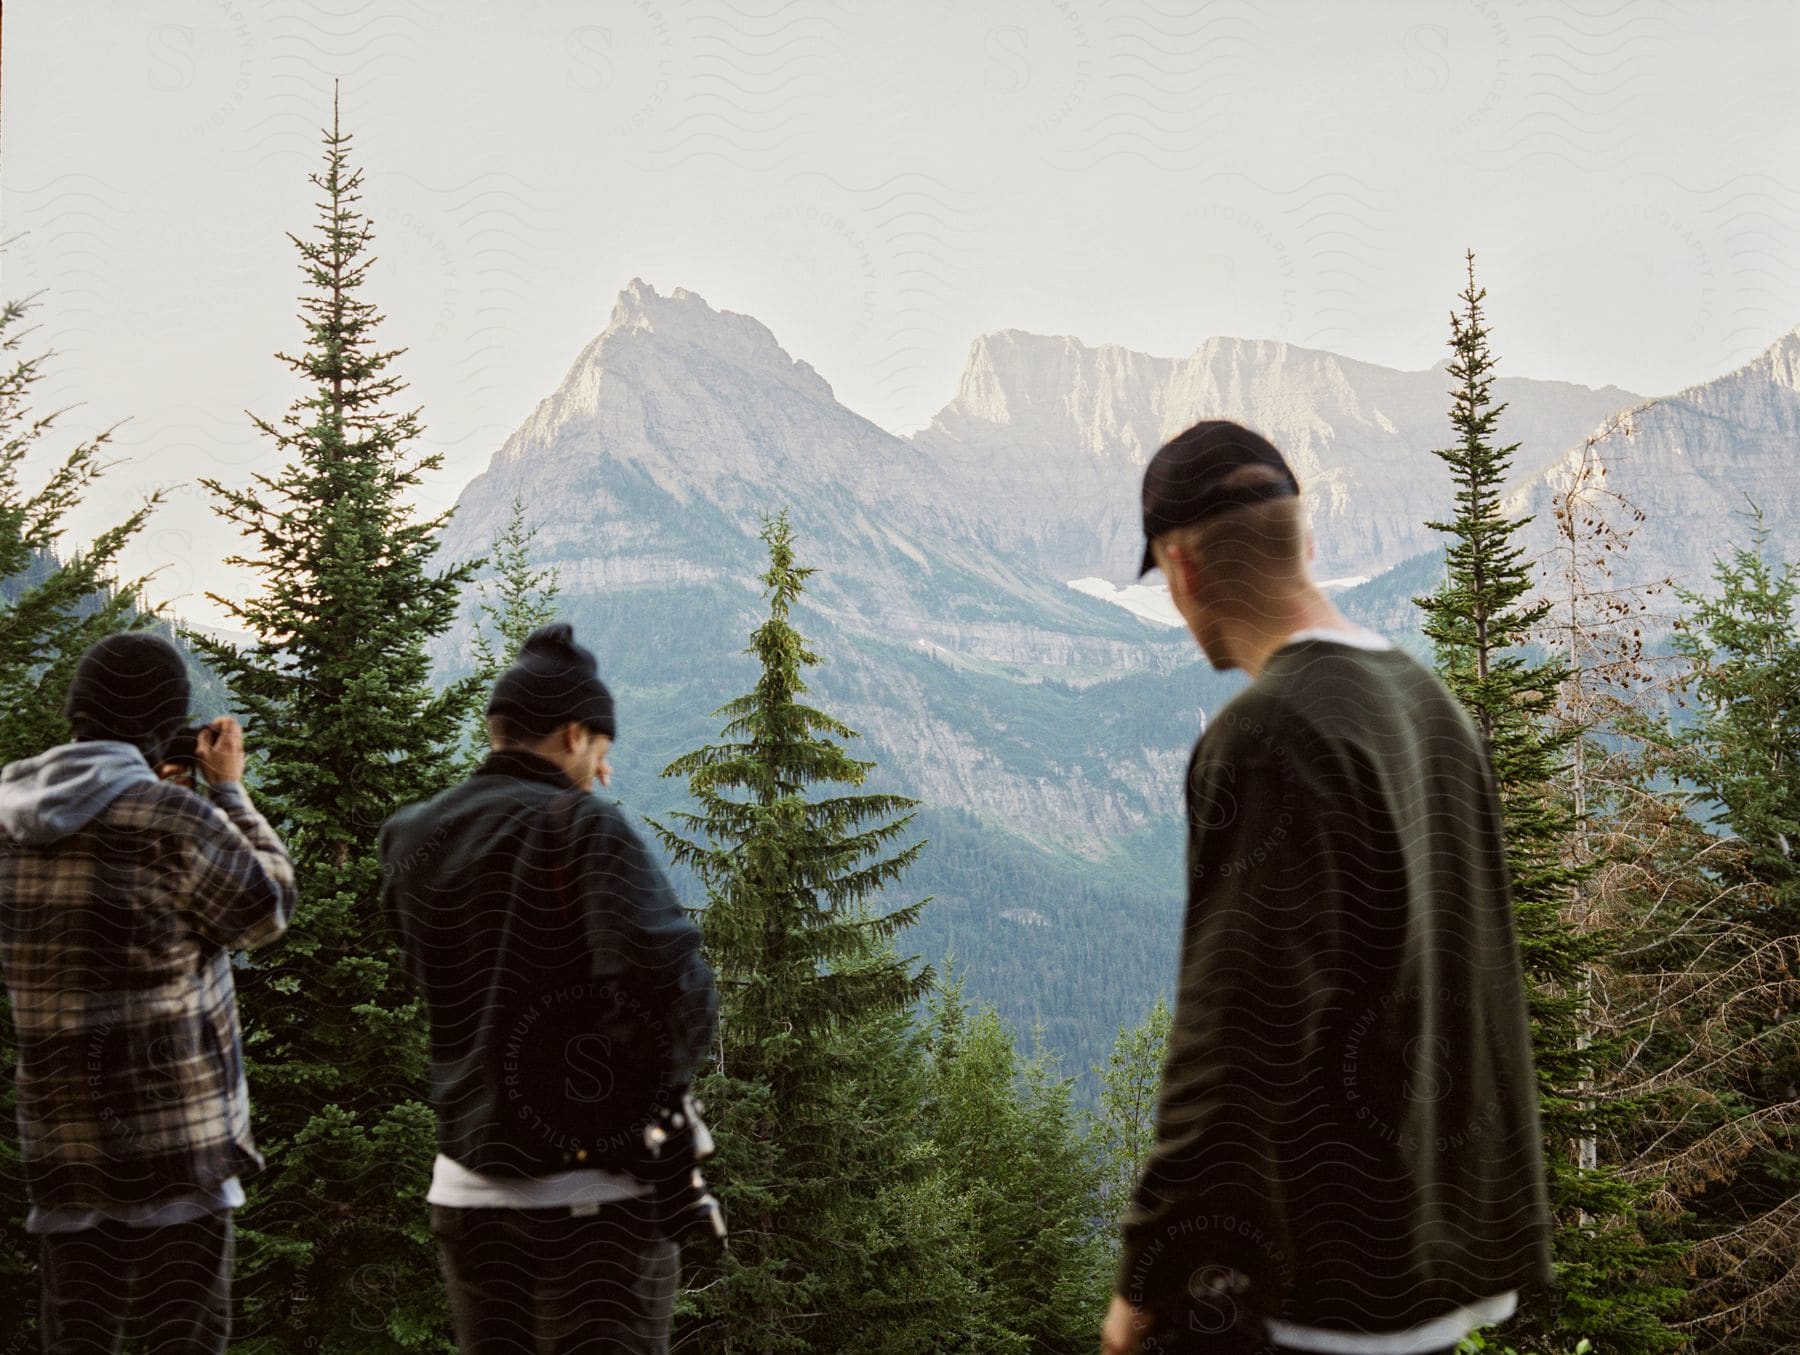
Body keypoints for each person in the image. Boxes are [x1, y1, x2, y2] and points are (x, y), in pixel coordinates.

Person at [1102, 422, 1552, 1355]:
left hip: (1320, 1286)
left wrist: (1148, 1277)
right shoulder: (1429, 704)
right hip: (1447, 1264)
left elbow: (1233, 1041)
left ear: (1181, 572)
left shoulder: (1268, 733)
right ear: (1303, 541)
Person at [380, 622, 718, 1354]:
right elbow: (677, 989)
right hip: (593, 1206)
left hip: (466, 1200)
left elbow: (431, 974)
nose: (603, 772)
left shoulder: (410, 836)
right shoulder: (588, 828)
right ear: (572, 734)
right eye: (600, 750)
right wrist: (647, 1107)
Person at [0, 631, 297, 1352]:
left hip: (63, 1151)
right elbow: (268, 909)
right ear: (160, 722)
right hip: (176, 1153)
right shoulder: (172, 818)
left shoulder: (8, 819)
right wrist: (227, 789)